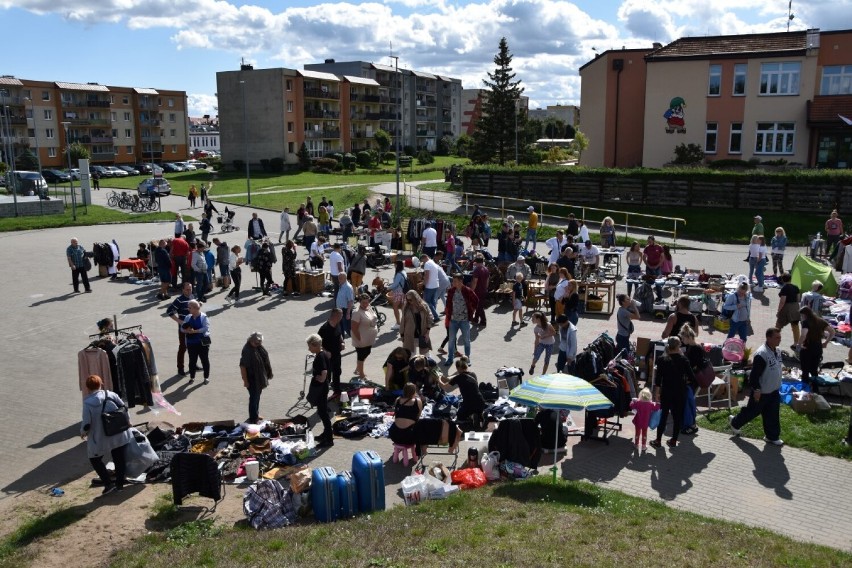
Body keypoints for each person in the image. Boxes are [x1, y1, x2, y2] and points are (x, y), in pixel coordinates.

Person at [729, 328, 784, 446]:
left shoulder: (778, 351)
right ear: (768, 338)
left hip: (774, 391)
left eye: (780, 337)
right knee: (752, 412)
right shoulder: (761, 354)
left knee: (772, 414)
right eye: (777, 337)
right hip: (762, 392)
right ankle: (735, 422)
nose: (780, 340)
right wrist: (757, 389)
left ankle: (772, 436)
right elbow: (754, 375)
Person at [80, 374, 133, 496]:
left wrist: (83, 432)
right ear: (100, 384)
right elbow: (124, 408)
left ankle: (108, 484)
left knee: (94, 459)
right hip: (118, 433)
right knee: (119, 459)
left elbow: (87, 423)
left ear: (88, 388)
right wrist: (128, 422)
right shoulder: (111, 395)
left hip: (100, 437)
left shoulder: (87, 403)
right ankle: (120, 484)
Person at [650, 336, 694, 449]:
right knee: (677, 417)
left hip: (666, 392)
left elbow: (658, 380)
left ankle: (658, 440)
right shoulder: (684, 360)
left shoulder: (661, 360)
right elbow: (692, 377)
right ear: (678, 346)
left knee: (664, 416)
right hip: (680, 392)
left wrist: (657, 394)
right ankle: (674, 440)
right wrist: (684, 381)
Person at [439, 357, 486, 429]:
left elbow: (444, 387)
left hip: (469, 404)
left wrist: (438, 379)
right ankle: (478, 415)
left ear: (458, 368)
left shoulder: (458, 377)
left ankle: (470, 417)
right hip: (480, 402)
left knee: (460, 415)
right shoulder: (473, 374)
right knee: (473, 407)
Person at [797, 306, 835, 390]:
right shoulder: (820, 321)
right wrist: (826, 342)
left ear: (804, 315)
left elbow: (803, 335)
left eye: (801, 316)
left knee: (805, 370)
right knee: (814, 370)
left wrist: (799, 345)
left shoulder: (806, 322)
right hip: (818, 347)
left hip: (807, 348)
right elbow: (832, 331)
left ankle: (805, 389)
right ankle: (815, 389)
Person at [306, 333, 333, 448]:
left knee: (323, 413)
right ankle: (325, 434)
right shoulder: (322, 354)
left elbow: (324, 372)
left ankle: (329, 439)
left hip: (321, 388)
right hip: (323, 387)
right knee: (322, 412)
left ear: (316, 345)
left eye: (310, 346)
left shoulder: (320, 356)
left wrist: (321, 379)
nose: (309, 348)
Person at [445, 273, 478, 368]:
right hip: (453, 321)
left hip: (464, 321)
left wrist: (472, 311)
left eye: (455, 281)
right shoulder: (451, 291)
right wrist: (448, 315)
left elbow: (476, 300)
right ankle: (450, 359)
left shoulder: (467, 291)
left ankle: (467, 359)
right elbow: (448, 304)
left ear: (460, 281)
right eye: (453, 281)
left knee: (466, 341)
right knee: (451, 340)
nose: (453, 282)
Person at [240, 332, 273, 424]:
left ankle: (256, 414)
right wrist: (245, 381)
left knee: (257, 397)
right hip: (252, 379)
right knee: (254, 398)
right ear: (251, 340)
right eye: (257, 342)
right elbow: (242, 367)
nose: (259, 344)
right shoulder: (247, 350)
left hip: (259, 378)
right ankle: (253, 418)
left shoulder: (257, 347)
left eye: (260, 342)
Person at [678, 325, 703, 436]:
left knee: (688, 403)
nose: (682, 341)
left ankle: (690, 425)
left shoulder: (696, 349)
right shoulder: (691, 347)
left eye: (683, 338)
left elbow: (698, 365)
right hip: (690, 380)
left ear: (688, 337)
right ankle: (689, 424)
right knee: (688, 402)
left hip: (691, 381)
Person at [166, 282, 194, 376]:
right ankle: (180, 368)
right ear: (182, 290)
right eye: (187, 289)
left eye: (190, 289)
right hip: (184, 329)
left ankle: (193, 365)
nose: (189, 291)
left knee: (193, 347)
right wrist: (180, 321)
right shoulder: (179, 300)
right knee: (183, 347)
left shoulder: (192, 297)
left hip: (193, 327)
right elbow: (169, 311)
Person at [181, 299, 211, 385]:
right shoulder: (188, 317)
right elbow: (182, 328)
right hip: (191, 343)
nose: (188, 309)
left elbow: (206, 328)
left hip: (202, 343)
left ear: (195, 308)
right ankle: (192, 377)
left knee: (204, 360)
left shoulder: (203, 317)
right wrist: (186, 330)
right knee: (192, 361)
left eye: (189, 308)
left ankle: (206, 377)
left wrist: (195, 331)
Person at [318, 308, 345, 399]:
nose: (342, 317)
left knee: (337, 372)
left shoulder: (338, 324)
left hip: (337, 354)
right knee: (327, 377)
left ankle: (337, 391)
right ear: (334, 316)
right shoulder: (324, 328)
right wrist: (325, 352)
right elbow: (317, 344)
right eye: (340, 315)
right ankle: (323, 396)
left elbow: (340, 334)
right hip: (327, 358)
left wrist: (342, 342)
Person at [351, 293, 378, 380]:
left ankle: (358, 368)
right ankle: (361, 374)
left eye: (367, 302)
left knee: (367, 352)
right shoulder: (357, 313)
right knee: (361, 355)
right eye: (363, 303)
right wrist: (359, 339)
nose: (365, 304)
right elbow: (354, 328)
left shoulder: (369, 307)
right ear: (359, 302)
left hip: (369, 337)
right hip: (361, 338)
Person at [401, 290, 433, 355]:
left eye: (410, 300)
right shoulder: (406, 307)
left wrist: (427, 332)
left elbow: (430, 318)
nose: (409, 302)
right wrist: (402, 334)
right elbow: (403, 322)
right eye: (407, 300)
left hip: (423, 334)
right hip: (409, 335)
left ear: (415, 298)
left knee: (425, 356)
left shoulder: (424, 306)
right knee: (410, 356)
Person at [775, 272, 801, 349]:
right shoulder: (796, 287)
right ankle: (796, 343)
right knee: (795, 326)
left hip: (786, 308)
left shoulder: (784, 288)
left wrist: (778, 311)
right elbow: (798, 299)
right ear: (790, 279)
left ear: (783, 280)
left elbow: (783, 301)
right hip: (795, 307)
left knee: (778, 326)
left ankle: (774, 342)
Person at [528, 311, 556, 376]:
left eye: (533, 318)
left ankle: (543, 374)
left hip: (550, 344)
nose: (532, 320)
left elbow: (554, 333)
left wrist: (545, 336)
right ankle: (532, 366)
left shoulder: (548, 325)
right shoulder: (536, 329)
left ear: (538, 319)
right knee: (536, 356)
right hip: (541, 343)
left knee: (547, 359)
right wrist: (535, 349)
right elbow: (537, 340)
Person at [470, 254, 490, 327]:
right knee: (479, 305)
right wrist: (486, 288)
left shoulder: (477, 270)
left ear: (476, 262)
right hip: (484, 290)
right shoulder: (486, 269)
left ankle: (483, 321)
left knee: (479, 306)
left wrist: (472, 290)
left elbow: (475, 281)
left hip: (478, 290)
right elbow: (488, 280)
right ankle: (476, 319)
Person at [643, 236, 664, 302]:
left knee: (658, 283)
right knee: (648, 283)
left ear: (653, 240)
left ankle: (659, 297)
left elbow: (662, 258)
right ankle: (648, 297)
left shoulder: (659, 247)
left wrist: (657, 265)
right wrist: (648, 265)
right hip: (649, 268)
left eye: (650, 241)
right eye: (648, 241)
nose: (649, 242)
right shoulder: (647, 248)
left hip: (657, 268)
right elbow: (644, 258)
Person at [422, 253, 441, 321]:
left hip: (430, 286)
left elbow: (427, 276)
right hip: (436, 284)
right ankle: (433, 316)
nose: (423, 263)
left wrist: (424, 284)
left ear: (424, 258)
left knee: (427, 301)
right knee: (433, 301)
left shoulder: (427, 264)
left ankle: (435, 316)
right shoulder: (432, 262)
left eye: (423, 261)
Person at [388, 260, 407, 331]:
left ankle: (398, 323)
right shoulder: (404, 271)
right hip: (403, 291)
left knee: (395, 307)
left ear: (397, 265)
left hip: (398, 292)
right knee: (402, 307)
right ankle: (404, 321)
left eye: (395, 265)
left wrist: (387, 287)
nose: (394, 266)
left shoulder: (399, 274)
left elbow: (395, 284)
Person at [336, 273, 355, 338]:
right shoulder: (341, 284)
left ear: (345, 278)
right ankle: (342, 342)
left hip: (345, 310)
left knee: (348, 328)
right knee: (340, 328)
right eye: (338, 278)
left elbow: (350, 301)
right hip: (340, 310)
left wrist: (348, 313)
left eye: (340, 278)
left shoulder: (348, 287)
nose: (339, 279)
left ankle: (357, 342)